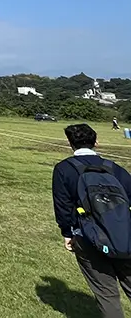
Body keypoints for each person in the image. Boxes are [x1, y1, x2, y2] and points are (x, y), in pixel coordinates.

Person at [53, 123, 131, 317]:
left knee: (106, 293)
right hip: (125, 236)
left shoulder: (64, 169)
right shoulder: (115, 169)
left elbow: (63, 205)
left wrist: (67, 233)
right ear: (96, 142)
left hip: (87, 236)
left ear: (70, 143)